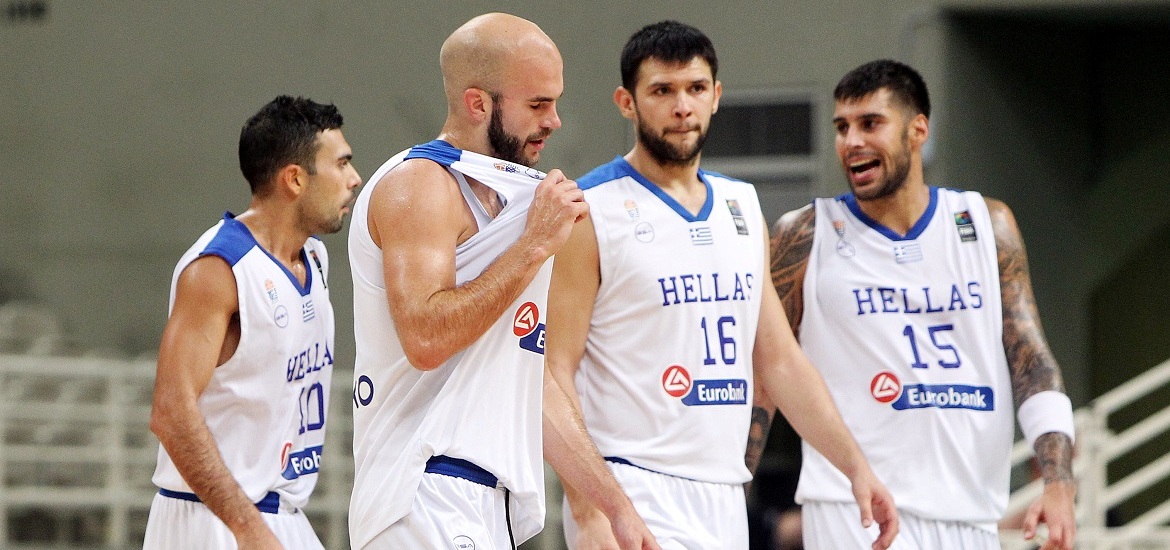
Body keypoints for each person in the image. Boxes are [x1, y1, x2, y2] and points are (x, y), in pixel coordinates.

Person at [545, 20, 898, 550]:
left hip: (724, 494)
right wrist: (590, 510)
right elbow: (553, 373)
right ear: (626, 102)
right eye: (662, 91)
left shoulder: (742, 204)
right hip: (632, 488)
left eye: (695, 88)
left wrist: (855, 467)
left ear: (716, 96)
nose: (681, 106)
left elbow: (780, 362)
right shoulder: (590, 209)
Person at [347, 12, 658, 550]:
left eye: (555, 102)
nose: (554, 120)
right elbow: (426, 337)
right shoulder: (420, 184)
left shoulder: (518, 200)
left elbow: (532, 383)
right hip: (421, 491)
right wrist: (534, 245)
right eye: (537, 105)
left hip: (486, 501)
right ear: (477, 104)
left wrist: (616, 508)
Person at [770, 59, 1077, 550]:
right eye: (842, 127)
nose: (851, 141)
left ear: (917, 130)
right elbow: (765, 369)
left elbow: (1032, 362)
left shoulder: (986, 224)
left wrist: (1058, 480)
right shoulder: (804, 235)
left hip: (970, 513)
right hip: (855, 510)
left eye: (870, 123)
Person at [145, 95, 361, 549]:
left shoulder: (315, 257)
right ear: (295, 179)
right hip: (211, 518)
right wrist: (247, 528)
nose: (354, 179)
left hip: (279, 512)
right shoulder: (219, 269)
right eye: (341, 164)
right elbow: (170, 412)